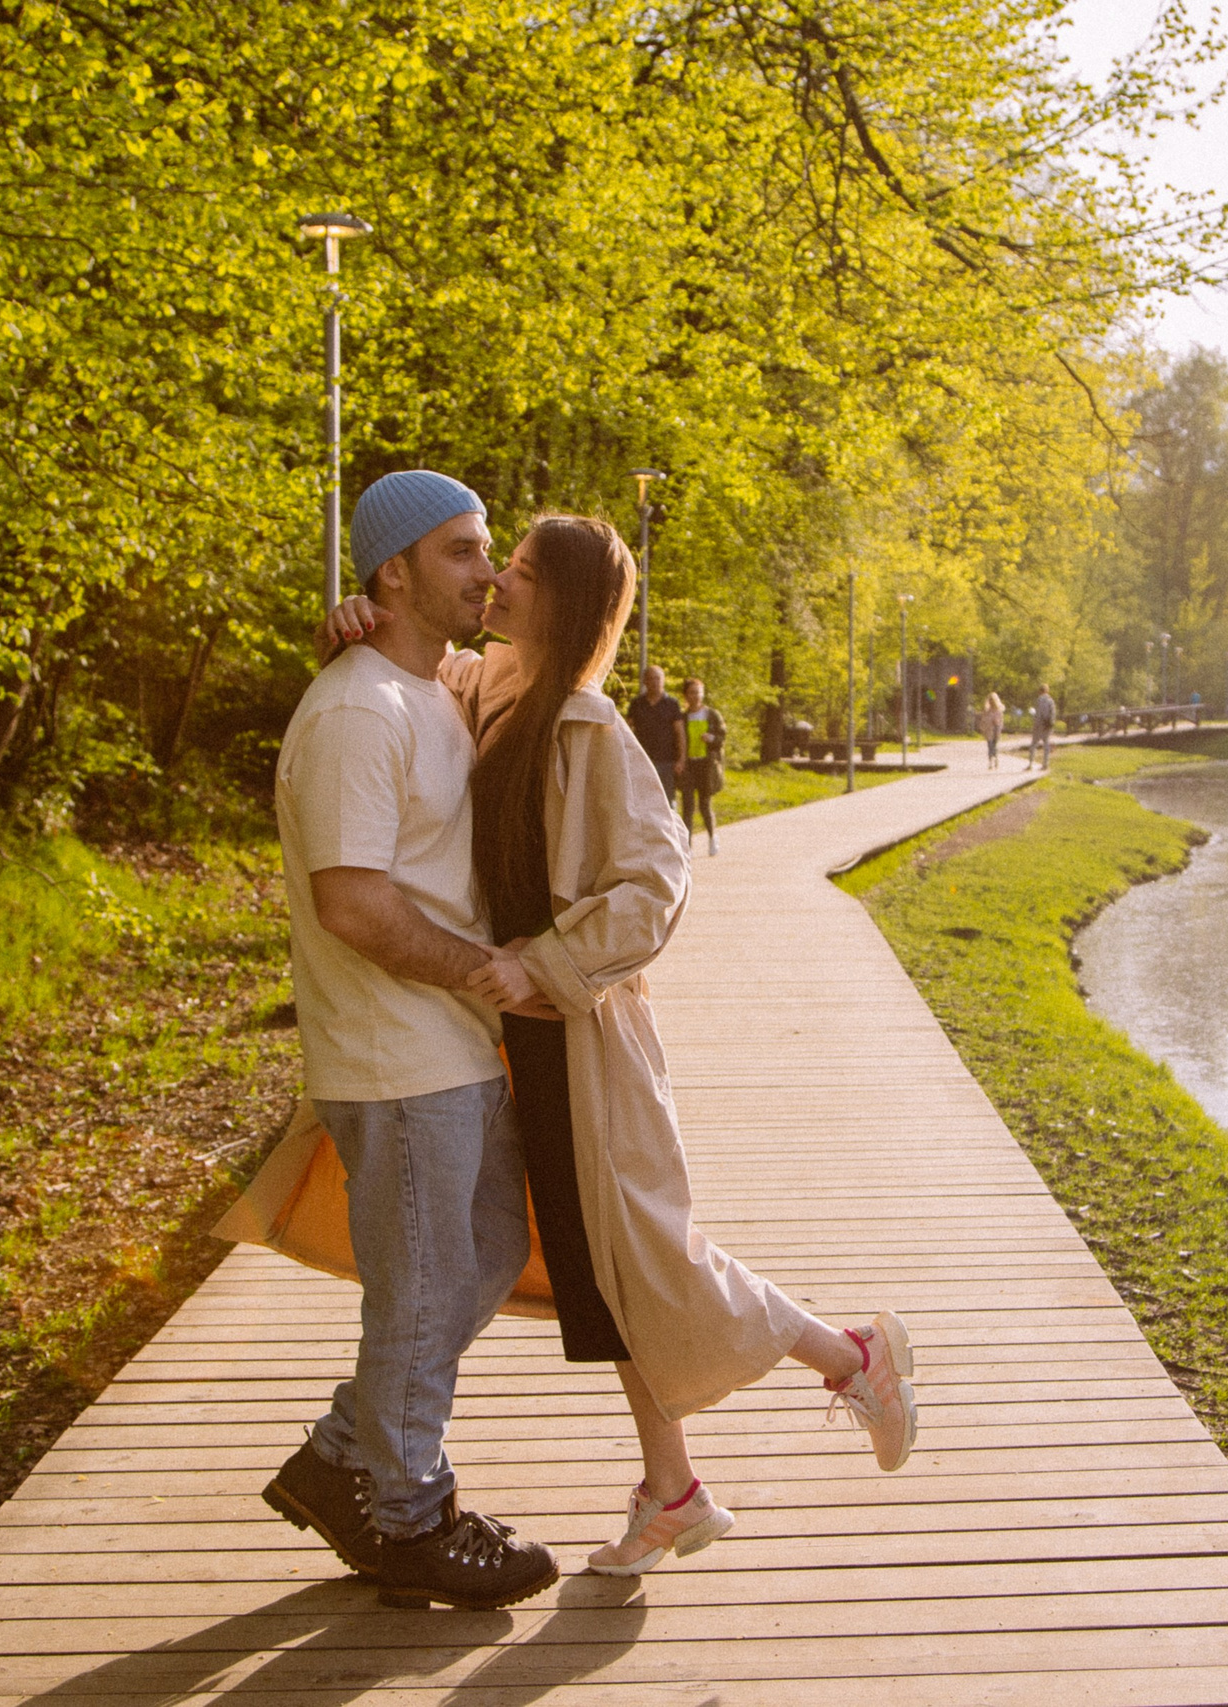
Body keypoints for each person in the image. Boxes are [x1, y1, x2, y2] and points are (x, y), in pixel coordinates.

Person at [320, 515, 918, 1582]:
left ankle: (849, 1357)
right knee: (607, 1273)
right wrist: (361, 622)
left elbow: (656, 883)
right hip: (516, 1040)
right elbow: (410, 675)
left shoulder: (591, 727)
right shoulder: (490, 689)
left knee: (648, 1257)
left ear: (564, 601)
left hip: (583, 1040)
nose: (496, 582)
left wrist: (541, 965)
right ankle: (672, 1490)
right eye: (491, 565)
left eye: (517, 571)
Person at [261, 470, 557, 1613]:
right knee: (423, 1292)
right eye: (461, 551)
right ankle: (410, 1517)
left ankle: (344, 1461)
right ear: (392, 571)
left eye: (487, 551)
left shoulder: (439, 682)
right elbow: (354, 905)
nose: (485, 572)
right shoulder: (352, 714)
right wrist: (481, 975)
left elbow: (566, 655)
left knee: (473, 1262)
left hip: (448, 1045)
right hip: (396, 1056)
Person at [675, 676, 725, 855]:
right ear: (686, 695)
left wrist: (711, 738)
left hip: (706, 765)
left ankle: (712, 838)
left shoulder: (712, 715)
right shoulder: (683, 717)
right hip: (689, 765)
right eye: (692, 693)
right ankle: (687, 845)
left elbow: (721, 737)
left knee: (705, 804)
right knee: (687, 806)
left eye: (698, 692)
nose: (695, 696)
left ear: (703, 694)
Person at [624, 663, 682, 804]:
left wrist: (681, 760)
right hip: (642, 760)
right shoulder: (637, 704)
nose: (655, 682)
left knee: (667, 802)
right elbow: (625, 730)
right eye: (651, 678)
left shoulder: (672, 704)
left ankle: (669, 827)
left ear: (663, 680)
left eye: (658, 678)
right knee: (643, 801)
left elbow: (680, 734)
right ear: (645, 681)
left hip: (666, 761)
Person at [976, 689, 1006, 768]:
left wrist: (999, 725)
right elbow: (984, 720)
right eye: (990, 700)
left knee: (995, 746)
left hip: (996, 729)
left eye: (993, 700)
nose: (991, 702)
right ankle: (990, 762)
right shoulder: (987, 711)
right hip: (989, 730)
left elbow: (1001, 721)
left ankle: (996, 758)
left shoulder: (999, 711)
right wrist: (983, 728)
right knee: (990, 746)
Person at [1031, 683, 1056, 769]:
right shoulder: (1051, 701)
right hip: (1047, 725)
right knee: (1046, 744)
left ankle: (1031, 763)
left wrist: (1035, 723)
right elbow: (1053, 713)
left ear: (1040, 691)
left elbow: (1037, 713)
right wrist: (1051, 724)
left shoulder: (1039, 700)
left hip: (1039, 724)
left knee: (1034, 744)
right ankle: (1045, 764)